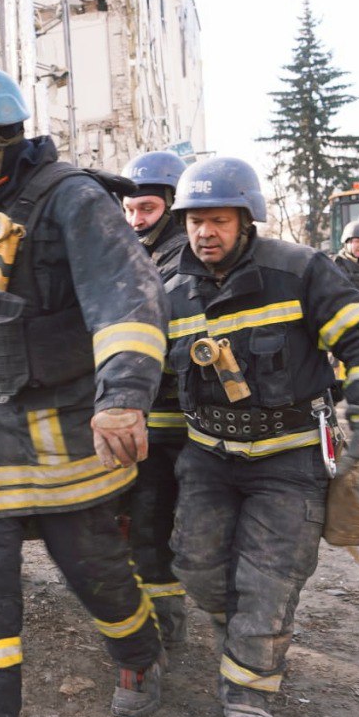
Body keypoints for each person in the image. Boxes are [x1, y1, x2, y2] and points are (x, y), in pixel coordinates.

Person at [0, 67, 169, 717]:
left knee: (95, 570)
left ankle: (138, 655)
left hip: (62, 423)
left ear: (2, 139)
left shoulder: (73, 199)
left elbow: (128, 296)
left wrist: (122, 395)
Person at [164, 157, 359, 717]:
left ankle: (249, 687)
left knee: (271, 576)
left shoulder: (300, 271)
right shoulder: (168, 289)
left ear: (247, 219)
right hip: (207, 456)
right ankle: (238, 627)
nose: (204, 233)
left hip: (289, 458)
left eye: (217, 219)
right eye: (194, 221)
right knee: (196, 567)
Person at [118, 151, 192, 646]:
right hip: (145, 419)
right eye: (129, 210)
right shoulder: (128, 256)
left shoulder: (192, 257)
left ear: (172, 203)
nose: (137, 219)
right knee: (145, 522)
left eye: (146, 208)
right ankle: (166, 620)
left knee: (193, 528)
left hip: (191, 423)